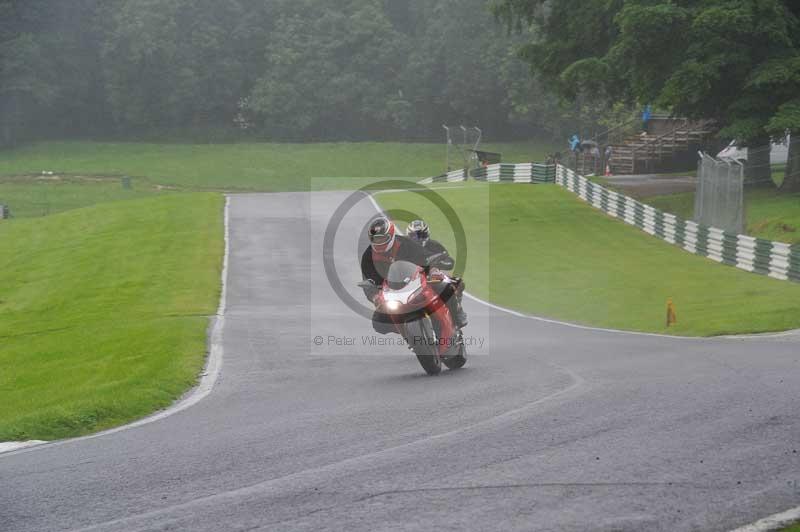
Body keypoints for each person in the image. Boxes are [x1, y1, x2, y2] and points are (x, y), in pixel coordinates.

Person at [405, 219, 467, 327]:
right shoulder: (404, 248)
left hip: (433, 277)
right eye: (414, 236)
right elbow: (396, 263)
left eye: (421, 235)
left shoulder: (434, 245)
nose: (418, 239)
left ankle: (457, 313)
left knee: (454, 285)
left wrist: (443, 262)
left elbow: (448, 260)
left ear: (427, 234)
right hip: (411, 279)